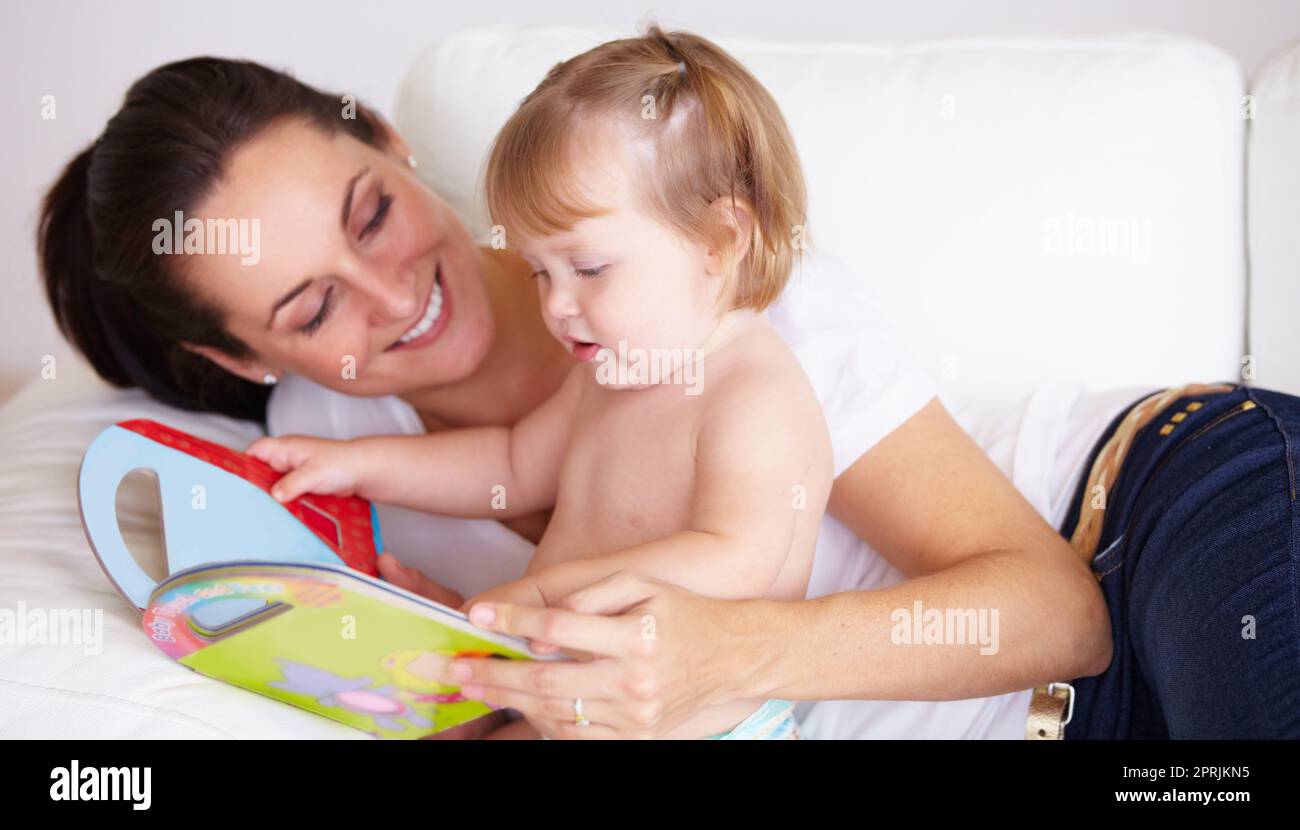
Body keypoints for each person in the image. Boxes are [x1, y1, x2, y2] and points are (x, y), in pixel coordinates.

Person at [36, 27, 1298, 739]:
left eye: (370, 213)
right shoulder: (327, 458)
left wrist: (719, 651)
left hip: (1146, 527)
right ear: (246, 362)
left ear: (392, 141)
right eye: (309, 307)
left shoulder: (705, 285)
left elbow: (1053, 615)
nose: (391, 296)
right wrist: (445, 668)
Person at [246, 29, 834, 740]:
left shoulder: (753, 392)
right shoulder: (613, 374)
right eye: (538, 272)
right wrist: (357, 463)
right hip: (577, 710)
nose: (555, 305)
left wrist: (549, 597)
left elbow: (738, 556)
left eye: (587, 270)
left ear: (719, 240)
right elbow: (511, 463)